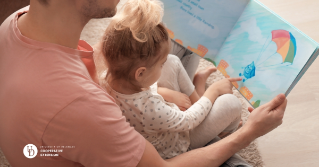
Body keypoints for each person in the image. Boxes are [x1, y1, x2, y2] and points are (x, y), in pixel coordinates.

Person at [0, 0, 287, 167]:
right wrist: (249, 133)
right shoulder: (82, 106)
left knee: (168, 48)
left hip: (90, 127)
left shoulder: (17, 22)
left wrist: (158, 90)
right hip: (151, 147)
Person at [100, 0, 243, 159]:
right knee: (231, 103)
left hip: (166, 119)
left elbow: (143, 90)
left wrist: (163, 91)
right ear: (140, 73)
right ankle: (225, 132)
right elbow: (188, 120)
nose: (162, 66)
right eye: (160, 65)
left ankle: (198, 97)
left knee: (173, 60)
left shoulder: (108, 78)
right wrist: (213, 91)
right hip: (180, 142)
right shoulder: (149, 108)